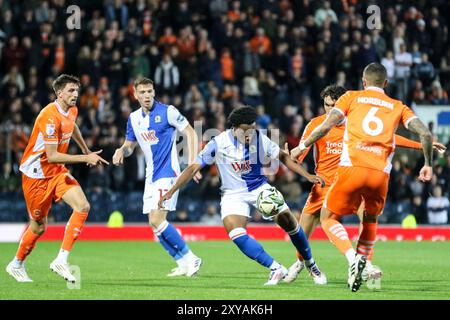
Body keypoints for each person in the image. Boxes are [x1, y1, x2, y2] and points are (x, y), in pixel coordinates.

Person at [291, 63, 434, 292]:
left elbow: (327, 125)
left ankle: (354, 259)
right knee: (369, 221)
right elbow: (424, 133)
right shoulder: (397, 106)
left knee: (328, 218)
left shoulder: (352, 99)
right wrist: (427, 162)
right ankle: (357, 261)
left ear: (364, 82)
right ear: (386, 83)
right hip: (378, 176)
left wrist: (300, 148)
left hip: (350, 172)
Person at [159, 106, 327, 286]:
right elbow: (193, 167)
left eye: (252, 128)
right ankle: (275, 268)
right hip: (233, 194)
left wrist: (307, 176)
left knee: (291, 223)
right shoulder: (219, 142)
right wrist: (172, 190)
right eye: (245, 130)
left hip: (259, 189)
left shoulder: (260, 139)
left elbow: (283, 158)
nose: (250, 133)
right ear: (234, 128)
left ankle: (311, 265)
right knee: (235, 232)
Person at [6, 74, 109, 283]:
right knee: (39, 227)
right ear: (59, 93)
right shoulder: (49, 116)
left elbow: (73, 126)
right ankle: (16, 263)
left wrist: (86, 148)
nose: (75, 94)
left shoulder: (72, 110)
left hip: (57, 172)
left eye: (77, 91)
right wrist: (85, 157)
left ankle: (61, 260)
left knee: (83, 206)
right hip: (36, 176)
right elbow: (51, 156)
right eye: (71, 90)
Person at [112, 77, 202, 277]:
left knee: (157, 218)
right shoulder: (134, 119)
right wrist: (120, 151)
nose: (147, 96)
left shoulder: (167, 111)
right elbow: (129, 146)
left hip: (169, 173)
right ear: (135, 95)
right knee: (153, 223)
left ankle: (190, 257)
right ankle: (181, 262)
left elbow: (190, 133)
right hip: (151, 176)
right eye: (142, 92)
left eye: (150, 91)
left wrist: (194, 163)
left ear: (154, 92)